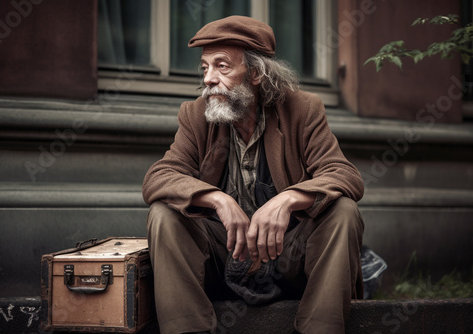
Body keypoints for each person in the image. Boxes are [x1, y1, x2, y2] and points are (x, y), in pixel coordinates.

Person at [142, 15, 365, 334]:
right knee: (163, 214)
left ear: (256, 73)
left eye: (221, 66)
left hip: (288, 256)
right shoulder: (196, 116)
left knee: (344, 211)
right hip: (223, 257)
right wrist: (216, 199)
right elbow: (158, 177)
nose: (208, 79)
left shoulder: (303, 110)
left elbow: (344, 175)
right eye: (204, 67)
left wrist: (289, 199)